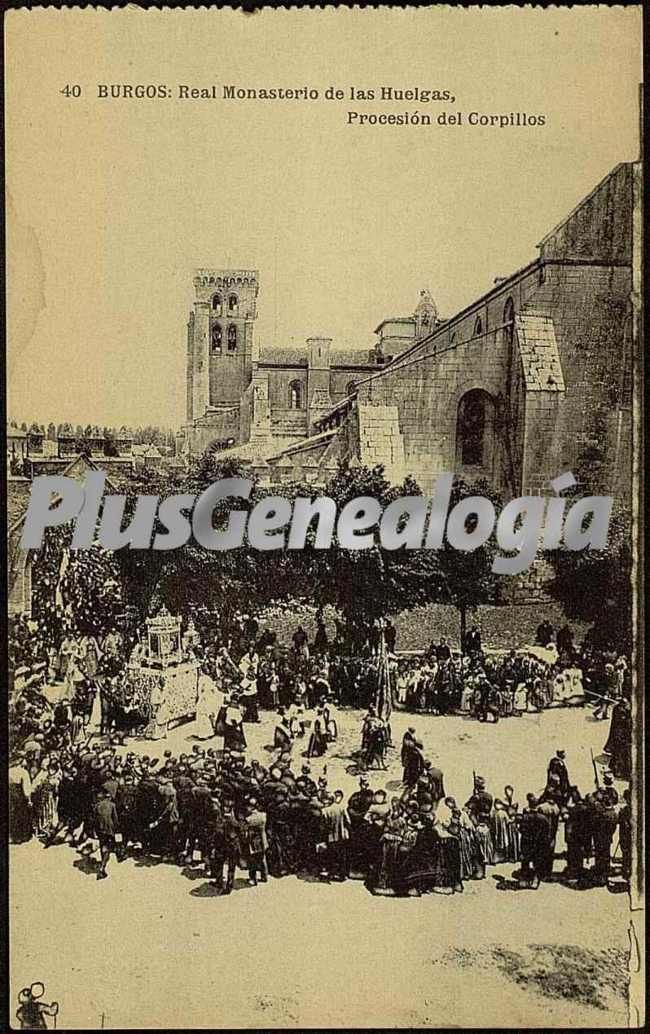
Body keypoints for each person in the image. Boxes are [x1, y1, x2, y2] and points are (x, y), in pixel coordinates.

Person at [94, 786, 119, 880]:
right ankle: (102, 867)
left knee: (102, 845)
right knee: (108, 847)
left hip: (100, 829)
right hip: (109, 829)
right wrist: (117, 829)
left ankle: (102, 863)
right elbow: (115, 819)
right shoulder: (112, 805)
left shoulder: (97, 805)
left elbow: (95, 819)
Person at [243, 798, 269, 885]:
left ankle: (253, 879)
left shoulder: (249, 819)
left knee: (252, 860)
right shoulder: (263, 815)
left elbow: (244, 828)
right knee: (262, 858)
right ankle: (264, 876)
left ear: (250, 807)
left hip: (253, 841)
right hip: (262, 839)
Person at [9, 753, 33, 843]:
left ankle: (12, 836)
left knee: (12, 815)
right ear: (20, 760)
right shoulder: (23, 772)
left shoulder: (9, 770)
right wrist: (29, 800)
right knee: (21, 815)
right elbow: (26, 788)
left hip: (10, 796)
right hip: (19, 796)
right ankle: (20, 836)